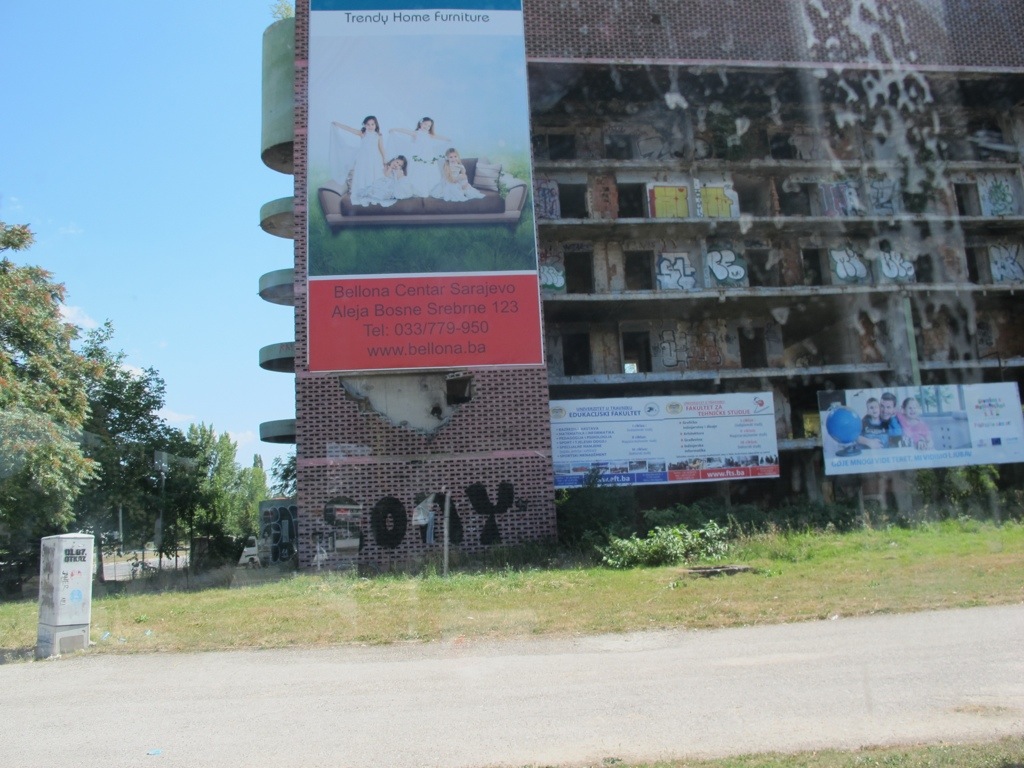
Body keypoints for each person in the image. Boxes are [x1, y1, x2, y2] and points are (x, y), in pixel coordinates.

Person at [389, 118, 451, 197]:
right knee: (416, 172)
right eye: (425, 124)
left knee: (428, 173)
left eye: (429, 126)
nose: (426, 127)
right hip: (417, 158)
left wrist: (448, 139)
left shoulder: (429, 135)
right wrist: (394, 129)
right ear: (421, 123)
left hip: (428, 158)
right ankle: (415, 190)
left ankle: (429, 190)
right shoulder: (416, 133)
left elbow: (439, 137)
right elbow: (404, 131)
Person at [333, 116, 386, 198]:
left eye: (372, 124)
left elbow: (381, 148)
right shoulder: (362, 133)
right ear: (364, 125)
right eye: (368, 124)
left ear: (376, 125)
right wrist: (337, 124)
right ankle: (364, 192)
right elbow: (349, 129)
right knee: (364, 174)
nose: (370, 126)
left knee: (375, 174)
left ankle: (374, 192)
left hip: (375, 159)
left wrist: (384, 159)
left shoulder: (378, 135)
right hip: (363, 159)